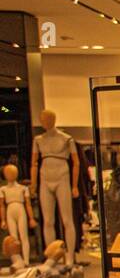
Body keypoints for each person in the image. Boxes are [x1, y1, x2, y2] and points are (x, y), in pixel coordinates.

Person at [32, 109, 79, 259]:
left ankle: (70, 256)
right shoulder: (38, 140)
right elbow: (34, 163)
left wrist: (75, 185)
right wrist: (33, 184)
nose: (45, 122)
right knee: (48, 221)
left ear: (53, 119)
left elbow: (76, 163)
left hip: (62, 175)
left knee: (67, 219)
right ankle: (52, 256)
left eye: (47, 119)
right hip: (45, 177)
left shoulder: (66, 139)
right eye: (43, 119)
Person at [1, 164, 35, 265]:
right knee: (13, 238)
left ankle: (26, 260)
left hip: (21, 210)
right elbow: (2, 206)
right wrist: (3, 220)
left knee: (24, 236)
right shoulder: (3, 189)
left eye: (12, 172)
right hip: (10, 211)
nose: (10, 175)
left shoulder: (23, 188)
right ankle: (17, 260)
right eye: (8, 173)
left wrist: (31, 218)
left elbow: (28, 205)